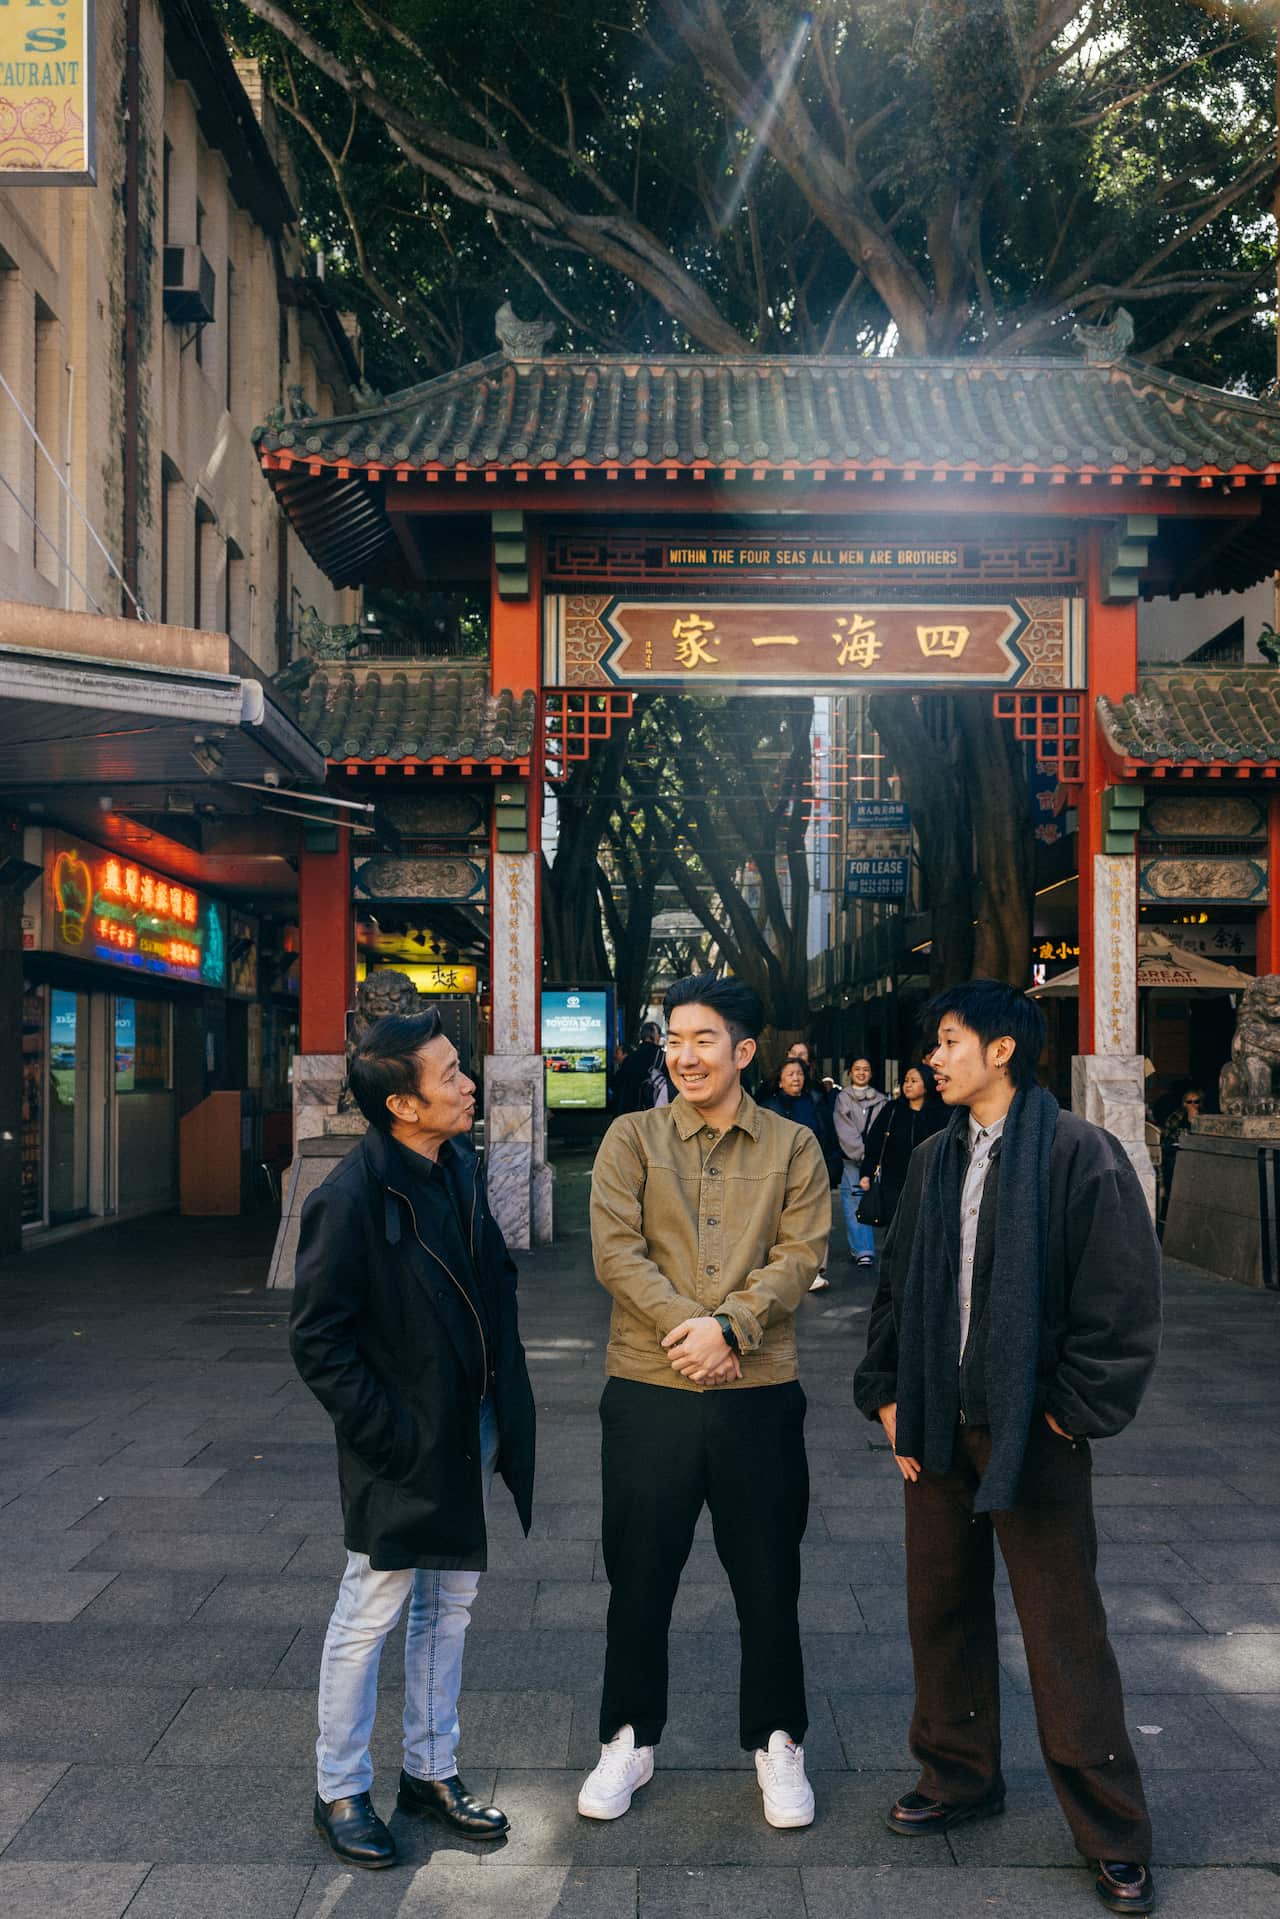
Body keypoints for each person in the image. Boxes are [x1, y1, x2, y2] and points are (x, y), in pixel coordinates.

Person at [853, 980, 1162, 1918]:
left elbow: (1121, 1302)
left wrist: (1068, 1414)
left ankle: (1114, 1830)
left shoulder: (1078, 1152)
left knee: (1065, 1628)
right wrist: (891, 1397)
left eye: (950, 1041)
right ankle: (958, 1775)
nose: (933, 1058)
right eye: (934, 1043)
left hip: (1034, 1428)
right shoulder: (937, 1154)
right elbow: (898, 1288)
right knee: (940, 1610)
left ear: (1002, 1051)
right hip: (939, 1423)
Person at [580, 975, 830, 1830]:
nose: (684, 1055)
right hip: (647, 1390)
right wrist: (694, 1328)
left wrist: (733, 1328)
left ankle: (778, 1739)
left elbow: (800, 1254)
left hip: (759, 1393)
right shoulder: (630, 1138)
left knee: (769, 1576)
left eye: (703, 1039)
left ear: (744, 1050)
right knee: (639, 1574)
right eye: (673, 1039)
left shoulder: (795, 1145)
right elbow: (616, 1251)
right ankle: (627, 1738)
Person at [289, 1009, 536, 1871]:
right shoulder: (349, 1198)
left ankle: (430, 1771)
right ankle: (340, 1788)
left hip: (468, 1423)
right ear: (403, 1103)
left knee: (451, 1604)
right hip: (402, 1440)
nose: (468, 1083)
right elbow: (319, 1339)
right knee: (372, 1604)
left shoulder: (455, 1165)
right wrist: (387, 1437)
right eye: (450, 1075)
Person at [762, 1058, 841, 1289]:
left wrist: (834, 1162)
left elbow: (829, 1134)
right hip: (784, 1171)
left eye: (799, 1074)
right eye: (790, 1075)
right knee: (787, 1221)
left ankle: (813, 1270)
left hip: (815, 1167)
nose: (796, 1078)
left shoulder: (815, 1101)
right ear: (779, 1081)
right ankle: (786, 1270)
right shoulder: (770, 1108)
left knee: (816, 1219)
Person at [858, 1062, 947, 1224]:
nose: (908, 1085)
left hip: (927, 1181)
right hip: (893, 1182)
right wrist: (866, 1173)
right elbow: (875, 1143)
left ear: (926, 1085)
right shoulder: (892, 1109)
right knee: (895, 1227)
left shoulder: (940, 1113)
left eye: (914, 1081)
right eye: (906, 1081)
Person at [834, 1058, 888, 1266]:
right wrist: (862, 1154)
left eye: (866, 1069)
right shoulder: (843, 1098)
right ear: (850, 1073)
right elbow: (844, 1129)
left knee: (873, 1199)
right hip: (851, 1159)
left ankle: (868, 1246)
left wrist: (873, 1157)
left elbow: (882, 1130)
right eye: (857, 1069)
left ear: (871, 1073)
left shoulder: (881, 1100)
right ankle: (862, 1249)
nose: (861, 1073)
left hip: (874, 1161)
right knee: (854, 1202)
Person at [1159, 1086, 1202, 1216]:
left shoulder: (1205, 1117)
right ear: (1184, 1104)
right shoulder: (1176, 1116)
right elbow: (1166, 1137)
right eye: (1190, 1102)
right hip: (1178, 1154)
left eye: (1196, 1102)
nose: (1193, 1105)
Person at [614, 1020, 671, 1114]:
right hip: (657, 1112)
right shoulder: (662, 1058)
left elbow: (618, 1083)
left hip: (633, 1113)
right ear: (655, 1036)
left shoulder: (630, 1058)